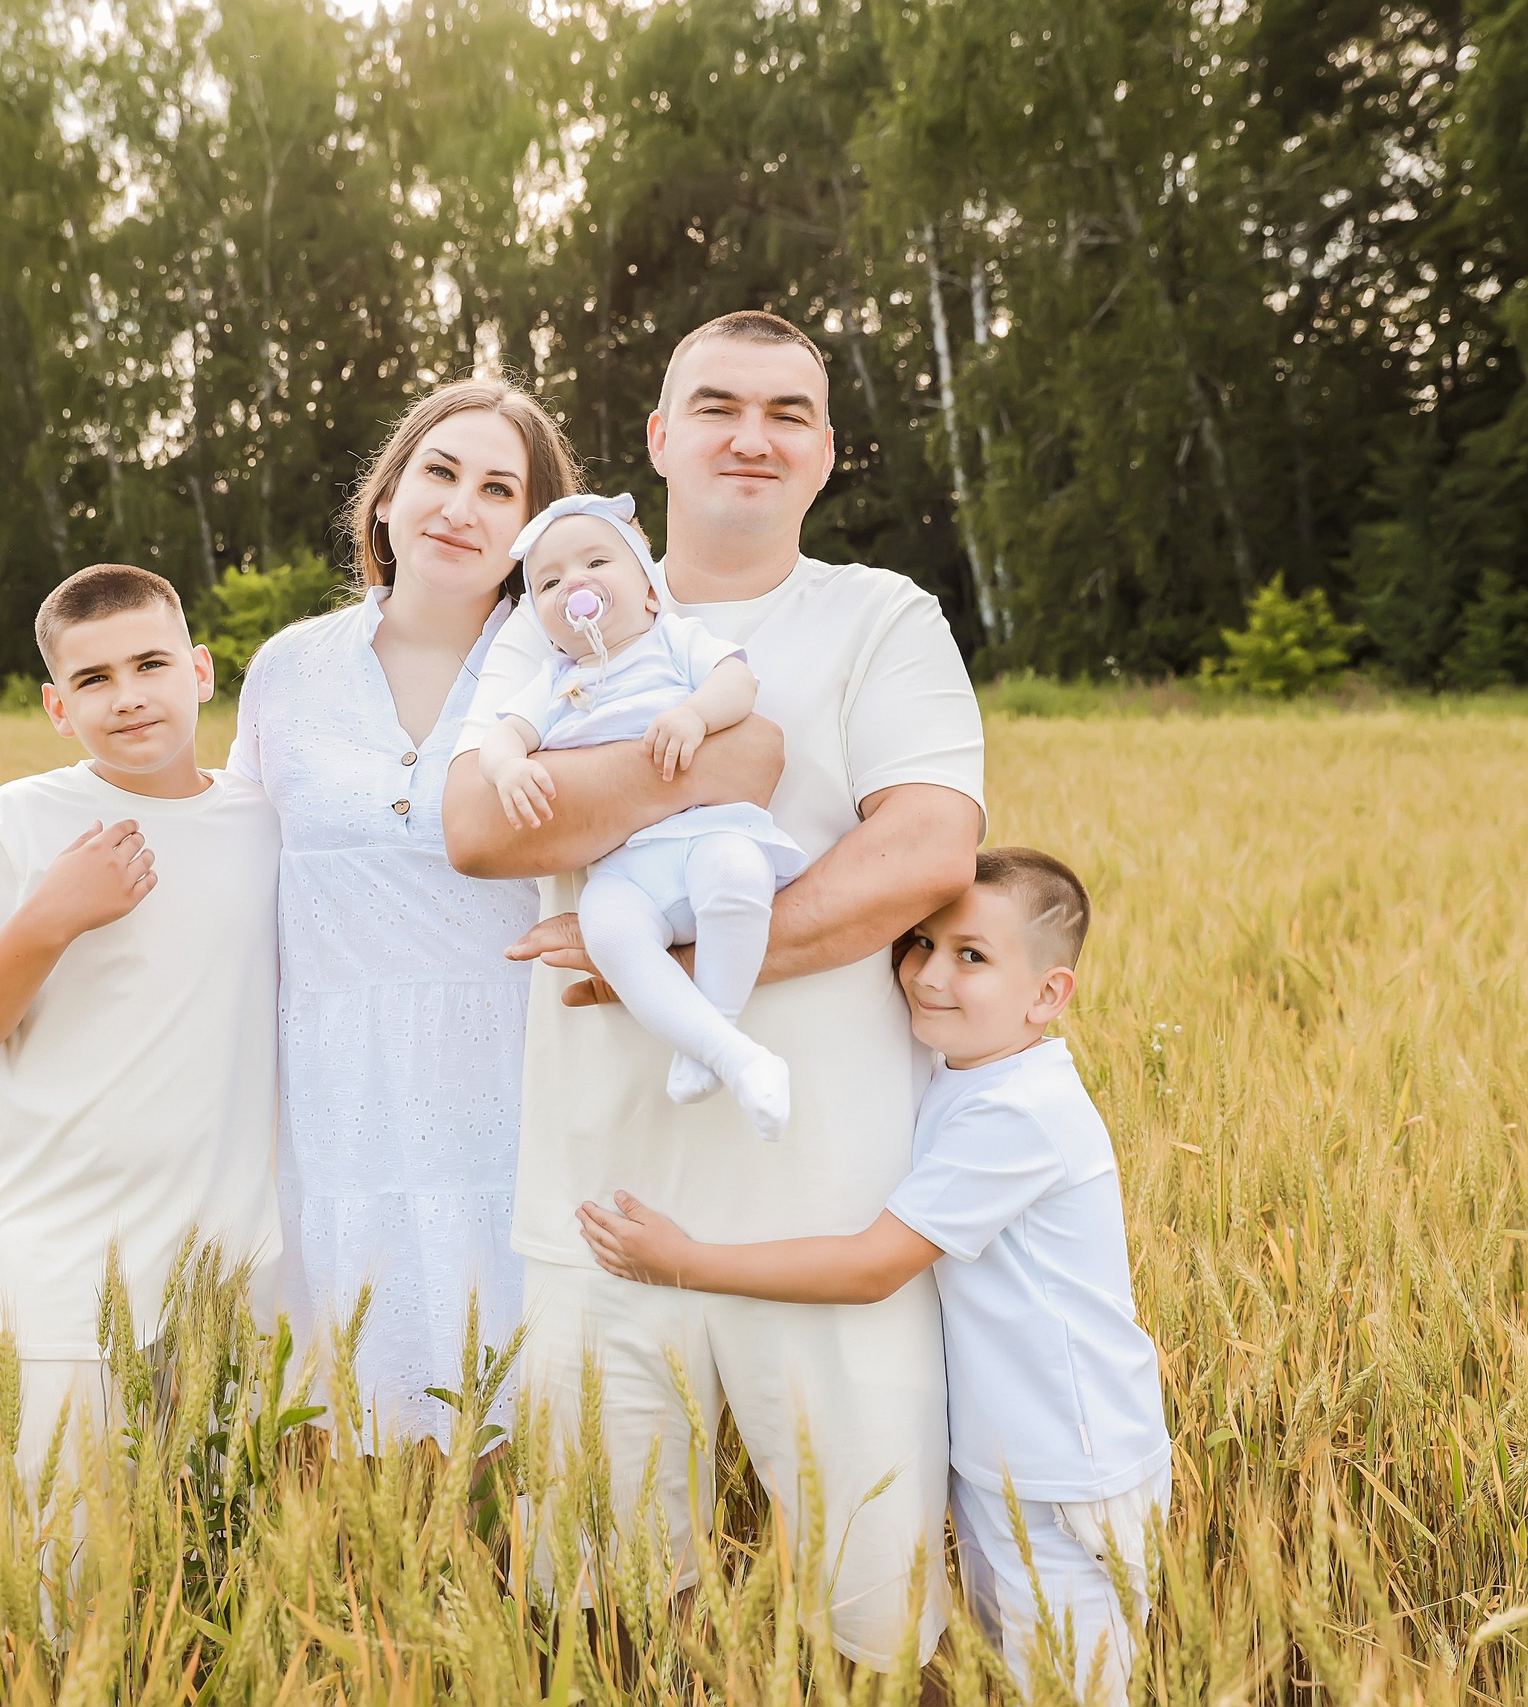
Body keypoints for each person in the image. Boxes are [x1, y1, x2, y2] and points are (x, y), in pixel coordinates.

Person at [443, 310, 987, 1668]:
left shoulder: (879, 617)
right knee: (610, 1619)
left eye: (788, 412)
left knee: (882, 1621)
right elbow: (481, 829)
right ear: (657, 440)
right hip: (596, 1203)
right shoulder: (542, 618)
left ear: (824, 454)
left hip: (831, 1210)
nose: (753, 434)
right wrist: (727, 765)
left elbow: (924, 847)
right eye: (719, 404)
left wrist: (666, 972)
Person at [228, 378, 785, 1446]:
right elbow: (235, 863)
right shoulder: (288, 670)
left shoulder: (574, 669)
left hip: (517, 1074)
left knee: (531, 1420)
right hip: (335, 1088)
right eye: (439, 473)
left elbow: (734, 761)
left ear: (535, 532)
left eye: (499, 488)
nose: (461, 507)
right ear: (385, 498)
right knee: (346, 1412)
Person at [575, 849, 1172, 1706]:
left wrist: (685, 1262)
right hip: (1012, 1459)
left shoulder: (1020, 1113)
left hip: (1070, 1468)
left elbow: (871, 1266)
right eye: (919, 942)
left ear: (1047, 995)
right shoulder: (962, 1071)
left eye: (972, 955)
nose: (929, 973)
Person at [0, 563, 281, 1493]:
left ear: (199, 671)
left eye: (149, 664)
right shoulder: (24, 823)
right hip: (62, 1279)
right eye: (93, 680)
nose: (128, 697)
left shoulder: (268, 823)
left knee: (209, 1576)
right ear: (55, 705)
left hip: (234, 1279)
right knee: (58, 1592)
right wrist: (51, 916)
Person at [477, 491, 804, 1139]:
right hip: (625, 870)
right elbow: (499, 736)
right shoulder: (555, 681)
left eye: (597, 560)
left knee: (738, 876)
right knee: (610, 932)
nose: (575, 582)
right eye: (549, 581)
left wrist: (693, 714)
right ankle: (736, 1055)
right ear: (544, 623)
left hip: (706, 833)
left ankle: (713, 1032)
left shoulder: (675, 639)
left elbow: (738, 683)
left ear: (650, 589)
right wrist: (510, 767)